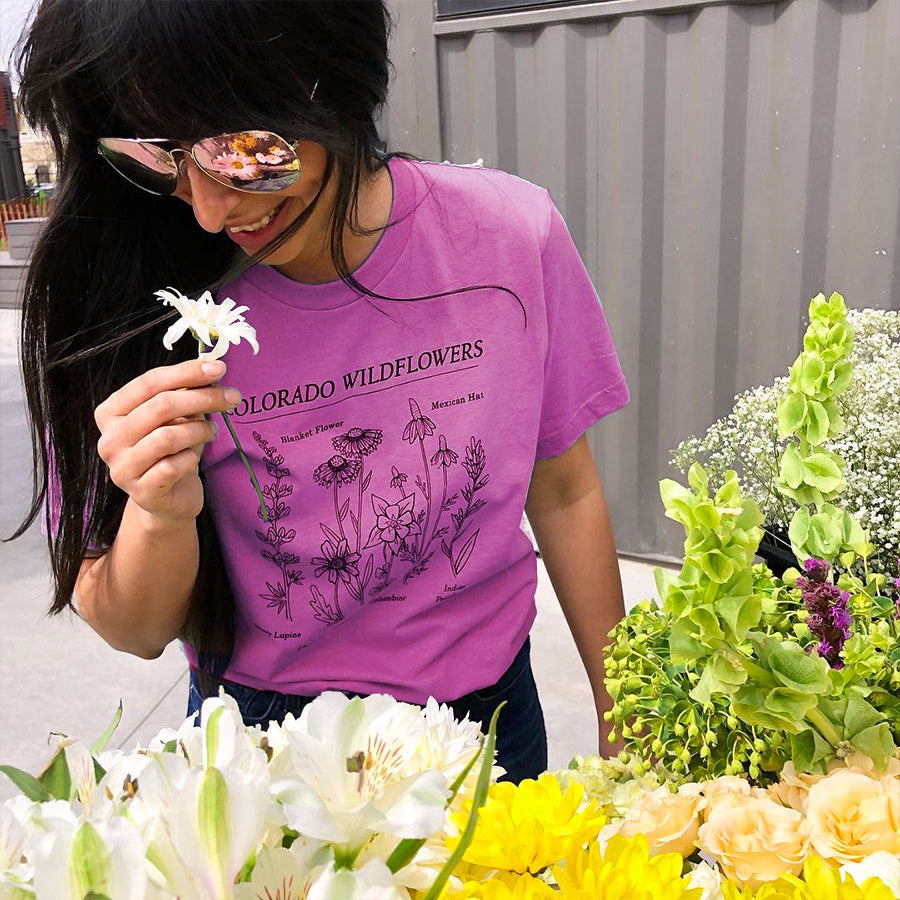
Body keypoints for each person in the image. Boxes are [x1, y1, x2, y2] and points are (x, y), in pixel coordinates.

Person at [13, 0, 629, 783]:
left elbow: (565, 488)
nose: (207, 210)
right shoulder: (125, 297)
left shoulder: (510, 238)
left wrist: (625, 714)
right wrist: (161, 511)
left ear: (334, 78)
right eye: (156, 153)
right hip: (266, 740)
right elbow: (132, 628)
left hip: (490, 721)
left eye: (243, 150)